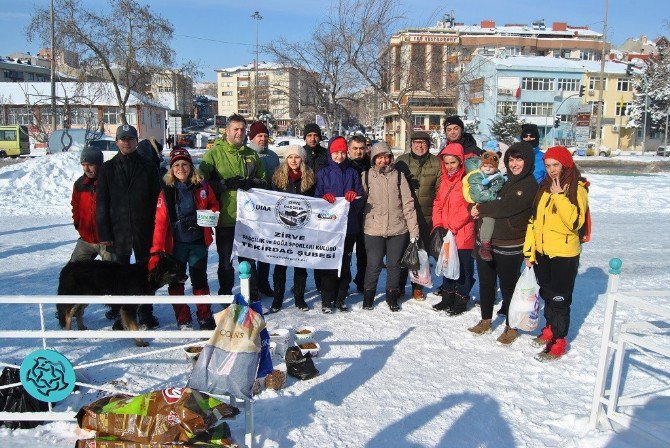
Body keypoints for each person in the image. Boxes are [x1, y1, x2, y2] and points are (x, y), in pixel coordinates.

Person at [467, 142, 538, 345]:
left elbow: (505, 207)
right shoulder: (504, 180)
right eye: (512, 159)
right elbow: (483, 194)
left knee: (509, 287)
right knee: (486, 283)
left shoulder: (528, 185)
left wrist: (481, 208)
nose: (515, 164)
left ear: (528, 161)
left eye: (519, 159)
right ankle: (486, 319)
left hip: (509, 243)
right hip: (486, 241)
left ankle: (511, 325)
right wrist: (474, 206)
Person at [524, 146, 588, 360]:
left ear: (566, 164)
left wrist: (560, 196)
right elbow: (534, 222)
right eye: (548, 165)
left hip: (564, 254)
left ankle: (559, 340)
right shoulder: (544, 187)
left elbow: (574, 222)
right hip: (543, 252)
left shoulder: (576, 188)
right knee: (547, 295)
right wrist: (529, 251)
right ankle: (550, 328)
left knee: (560, 299)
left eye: (556, 165)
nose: (552, 170)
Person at [97, 124, 161, 329]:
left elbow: (156, 201)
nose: (127, 142)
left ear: (136, 141)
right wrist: (104, 233)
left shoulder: (149, 167)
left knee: (147, 274)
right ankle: (121, 315)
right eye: (123, 139)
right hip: (118, 232)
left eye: (130, 139)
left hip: (144, 230)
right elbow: (102, 203)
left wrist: (157, 229)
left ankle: (146, 312)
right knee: (119, 277)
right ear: (117, 142)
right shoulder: (107, 169)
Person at [149, 148, 219, 330]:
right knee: (176, 281)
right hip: (176, 246)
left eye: (185, 164)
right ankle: (183, 318)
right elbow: (160, 222)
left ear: (191, 166)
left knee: (200, 281)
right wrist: (156, 251)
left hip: (197, 243)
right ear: (171, 169)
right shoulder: (166, 191)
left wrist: (211, 213)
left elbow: (213, 204)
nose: (181, 168)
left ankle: (204, 316)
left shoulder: (202, 185)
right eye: (177, 165)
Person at [199, 114, 267, 300]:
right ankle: (226, 295)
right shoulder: (214, 154)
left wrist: (251, 182)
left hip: (248, 219)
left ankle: (252, 296)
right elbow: (201, 184)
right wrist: (224, 184)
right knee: (226, 262)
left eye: (242, 129)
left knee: (249, 260)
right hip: (225, 218)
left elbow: (264, 182)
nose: (239, 133)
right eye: (235, 129)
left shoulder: (251, 155)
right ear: (227, 131)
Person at [362, 142, 420, 312]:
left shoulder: (399, 176)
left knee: (394, 265)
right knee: (374, 264)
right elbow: (358, 201)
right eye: (379, 157)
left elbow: (408, 204)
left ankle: (392, 297)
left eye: (386, 156)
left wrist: (413, 231)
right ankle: (368, 297)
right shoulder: (365, 176)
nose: (383, 160)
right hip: (373, 229)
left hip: (397, 228)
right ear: (374, 159)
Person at [315, 136, 364, 313]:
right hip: (329, 228)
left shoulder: (352, 173)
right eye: (336, 152)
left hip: (348, 227)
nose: (339, 156)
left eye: (343, 152)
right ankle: (327, 300)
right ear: (330, 153)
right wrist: (323, 199)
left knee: (345, 264)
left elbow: (360, 197)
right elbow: (316, 197)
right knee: (329, 264)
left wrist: (354, 197)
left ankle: (341, 298)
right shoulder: (323, 173)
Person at [394, 131, 441, 300]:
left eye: (423, 142)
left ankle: (418, 285)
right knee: (401, 251)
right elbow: (393, 185)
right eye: (416, 142)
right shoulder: (401, 161)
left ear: (429, 145)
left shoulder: (436, 163)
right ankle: (399, 285)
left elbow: (439, 190)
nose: (420, 146)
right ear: (411, 143)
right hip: (404, 215)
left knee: (421, 252)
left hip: (426, 216)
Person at [430, 142, 475, 316]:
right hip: (447, 232)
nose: (450, 166)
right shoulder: (444, 181)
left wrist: (453, 226)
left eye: (453, 163)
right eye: (447, 163)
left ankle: (461, 299)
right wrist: (438, 224)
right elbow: (438, 203)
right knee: (447, 265)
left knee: (463, 268)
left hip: (462, 233)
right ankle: (447, 297)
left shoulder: (467, 180)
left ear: (460, 162)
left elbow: (468, 207)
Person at [269, 145, 316, 313]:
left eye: (297, 157)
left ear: (302, 159)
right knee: (280, 265)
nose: (294, 160)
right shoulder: (277, 177)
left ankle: (299, 297)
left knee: (300, 266)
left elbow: (314, 202)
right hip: (282, 227)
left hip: (302, 227)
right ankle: (278, 299)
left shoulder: (309, 177)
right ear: (286, 159)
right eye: (290, 157)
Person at [248, 120, 280, 298]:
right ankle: (252, 286)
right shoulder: (246, 155)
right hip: (251, 209)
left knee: (267, 248)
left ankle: (263, 282)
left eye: (266, 135)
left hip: (270, 208)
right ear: (252, 138)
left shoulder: (273, 156)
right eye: (259, 135)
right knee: (252, 249)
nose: (263, 139)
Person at [69, 145, 112, 262]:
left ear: (99, 164)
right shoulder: (79, 184)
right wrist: (78, 224)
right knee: (73, 271)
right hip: (86, 239)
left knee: (111, 276)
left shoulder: (110, 182)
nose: (86, 169)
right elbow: (75, 206)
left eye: (90, 165)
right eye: (83, 165)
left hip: (106, 241)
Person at [462, 150, 506, 261]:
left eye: (490, 167)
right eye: (485, 165)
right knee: (483, 221)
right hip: (480, 204)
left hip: (487, 206)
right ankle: (482, 246)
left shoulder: (497, 177)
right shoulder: (477, 176)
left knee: (487, 220)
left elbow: (496, 189)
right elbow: (478, 195)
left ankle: (483, 245)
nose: (487, 168)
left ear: (495, 168)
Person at [302, 123, 329, 292]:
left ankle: (321, 282)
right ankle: (301, 284)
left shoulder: (326, 155)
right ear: (305, 137)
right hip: (303, 204)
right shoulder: (300, 153)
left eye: (316, 135)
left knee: (319, 246)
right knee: (302, 246)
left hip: (320, 205)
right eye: (309, 135)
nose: (313, 138)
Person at [347, 135, 371, 292]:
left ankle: (361, 281)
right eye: (355, 148)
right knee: (347, 253)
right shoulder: (344, 166)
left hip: (368, 215)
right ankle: (344, 282)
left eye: (361, 148)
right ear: (349, 150)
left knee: (364, 253)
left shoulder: (372, 165)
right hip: (348, 216)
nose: (358, 152)